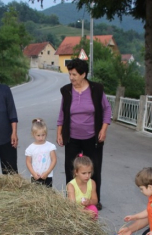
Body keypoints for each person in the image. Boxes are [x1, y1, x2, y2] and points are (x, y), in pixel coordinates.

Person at [57, 58, 111, 210]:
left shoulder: (96, 90)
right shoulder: (66, 90)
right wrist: (60, 131)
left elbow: (107, 109)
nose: (71, 77)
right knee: (70, 168)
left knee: (93, 169)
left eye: (74, 74)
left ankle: (94, 199)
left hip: (92, 137)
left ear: (83, 74)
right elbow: (62, 112)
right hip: (72, 137)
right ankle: (71, 200)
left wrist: (104, 129)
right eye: (70, 74)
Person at [25, 118, 57, 188]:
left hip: (47, 176)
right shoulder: (30, 148)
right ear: (33, 134)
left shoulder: (50, 146)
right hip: (35, 176)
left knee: (48, 194)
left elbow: (54, 160)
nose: (41, 138)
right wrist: (33, 173)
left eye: (43, 135)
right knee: (36, 195)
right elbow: (28, 162)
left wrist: (47, 172)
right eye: (38, 135)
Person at [66, 154, 99, 219]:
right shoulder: (71, 185)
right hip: (75, 212)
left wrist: (89, 202)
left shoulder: (92, 183)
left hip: (87, 210)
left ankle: (91, 227)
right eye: (84, 173)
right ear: (76, 172)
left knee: (93, 209)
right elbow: (72, 207)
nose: (87, 176)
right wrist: (85, 212)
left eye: (89, 172)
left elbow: (95, 200)